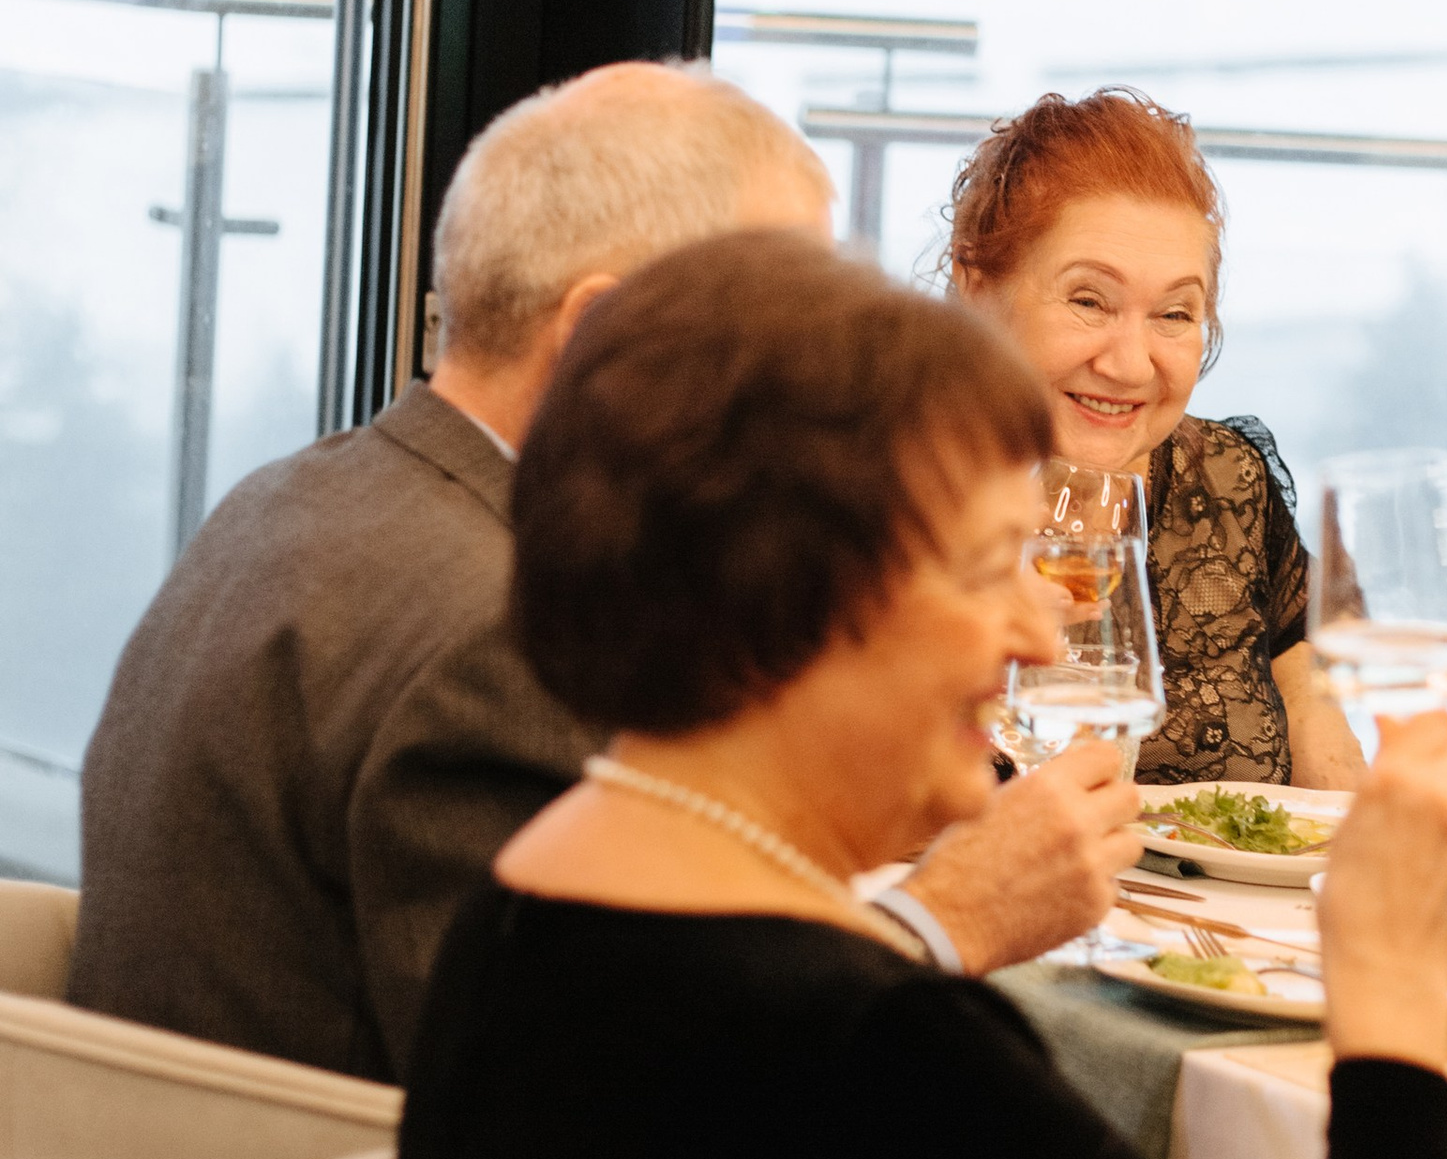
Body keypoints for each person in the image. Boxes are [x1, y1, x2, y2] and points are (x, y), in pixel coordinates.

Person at [393, 231, 1447, 1159]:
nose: (1042, 630)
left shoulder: (527, 909)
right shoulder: (873, 1056)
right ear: (800, 604)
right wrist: (1388, 1005)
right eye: (991, 571)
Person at [70, 63, 1137, 1083]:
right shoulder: (511, 632)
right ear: (599, 338)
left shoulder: (296, 498)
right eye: (786, 329)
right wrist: (941, 922)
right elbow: (593, 1104)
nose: (826, 392)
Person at [944, 87, 1364, 788]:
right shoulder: (868, 493)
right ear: (975, 283)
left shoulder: (1232, 484)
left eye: (1173, 314)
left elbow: (1323, 738)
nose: (1130, 364)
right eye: (1088, 300)